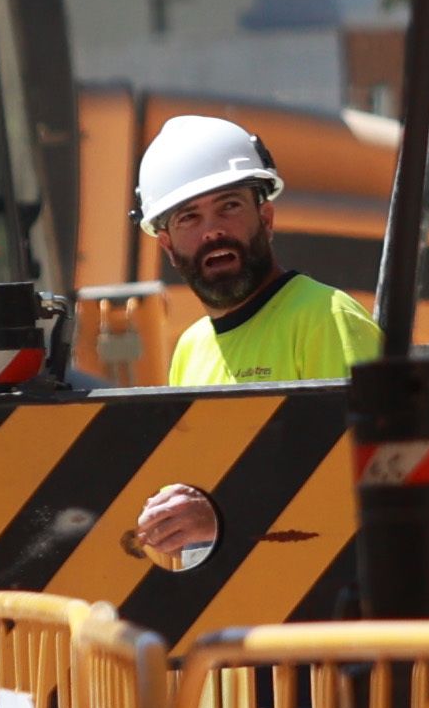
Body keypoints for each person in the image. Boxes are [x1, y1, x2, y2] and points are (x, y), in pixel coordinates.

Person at [127, 112, 376, 570]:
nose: (213, 230)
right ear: (166, 244)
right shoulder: (190, 349)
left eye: (229, 207)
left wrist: (219, 518)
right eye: (189, 217)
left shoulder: (327, 317)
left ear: (266, 217)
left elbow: (372, 486)